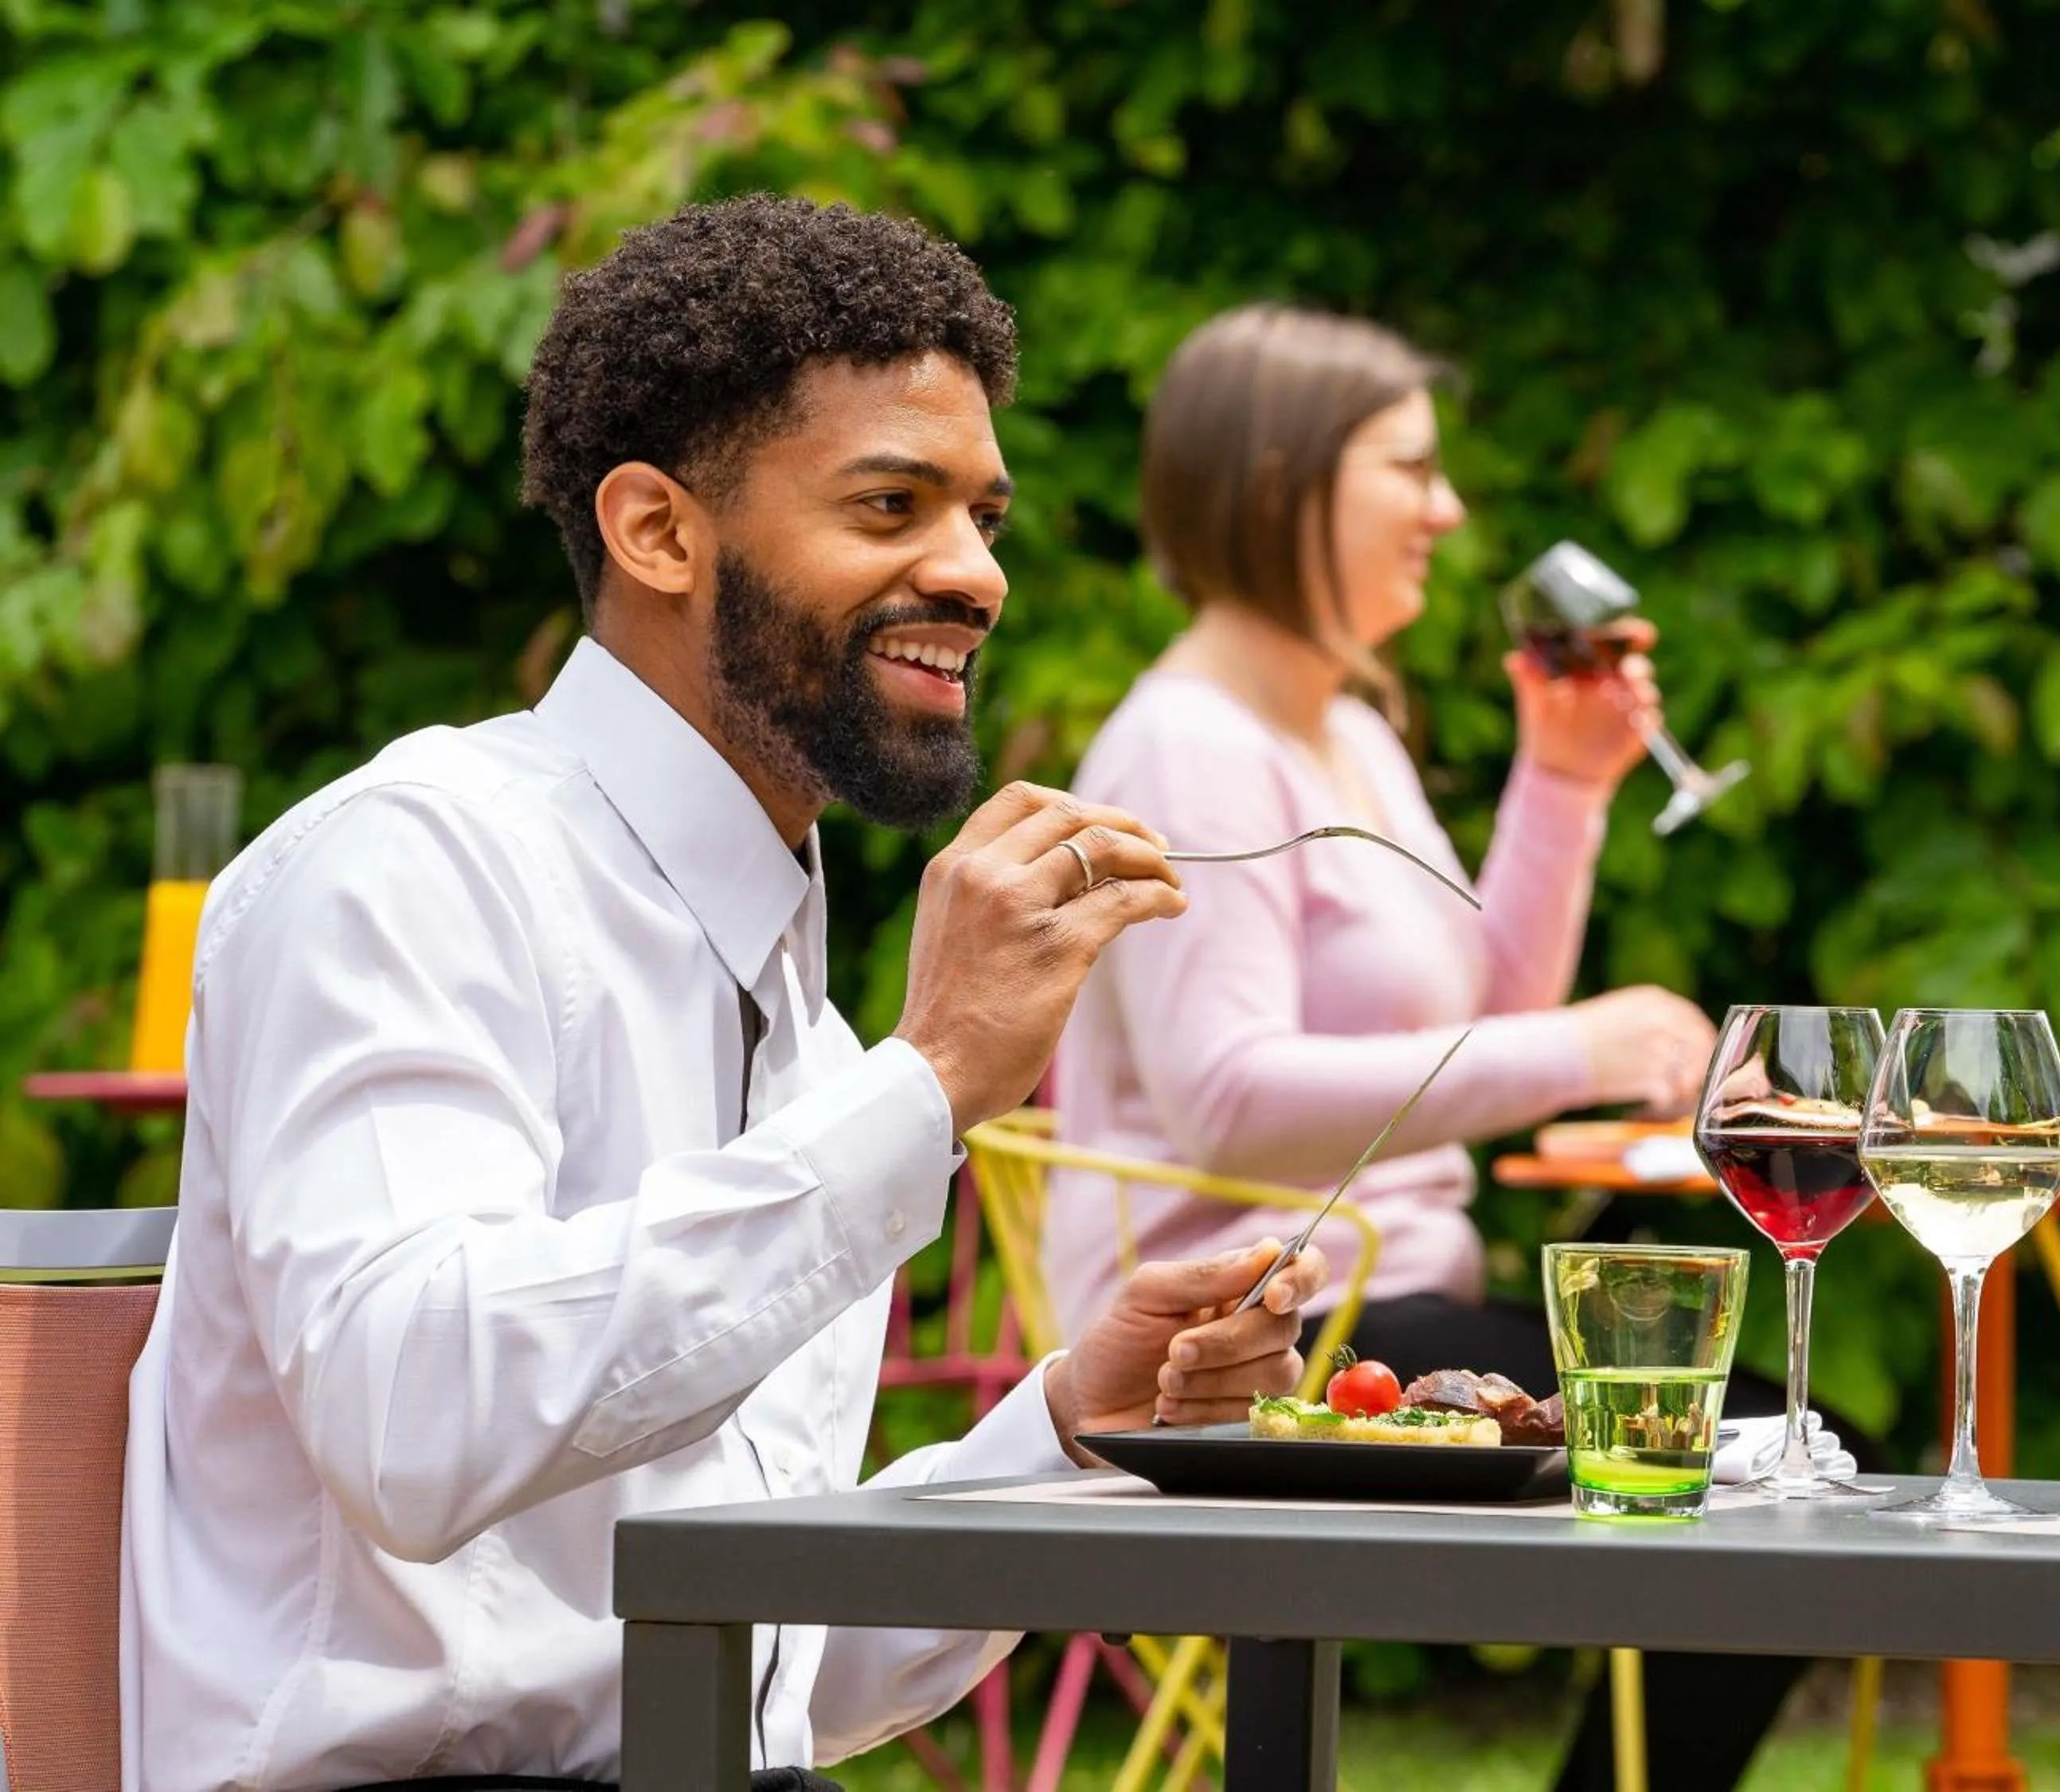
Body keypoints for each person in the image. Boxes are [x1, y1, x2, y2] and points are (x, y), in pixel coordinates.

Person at [119, 197, 1325, 1792]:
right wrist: (930, 1087)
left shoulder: (808, 1036)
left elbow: (769, 1678)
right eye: (892, 503)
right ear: (660, 532)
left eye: (984, 517)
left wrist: (1077, 1434)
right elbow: (416, 1415)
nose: (974, 574)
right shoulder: (411, 866)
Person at [1043, 303, 1816, 1791]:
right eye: (1410, 468)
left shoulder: (1350, 732)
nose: (1449, 510)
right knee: (1757, 1458)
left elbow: (1484, 1003)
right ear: (1282, 481)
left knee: (1780, 1446)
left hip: (1389, 1311)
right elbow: (1225, 1104)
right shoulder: (1189, 745)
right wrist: (1579, 1050)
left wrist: (1567, 779)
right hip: (1260, 1334)